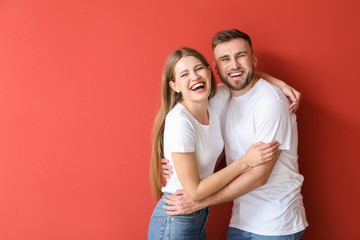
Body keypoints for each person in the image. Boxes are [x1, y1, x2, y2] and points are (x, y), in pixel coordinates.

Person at [162, 29, 308, 240]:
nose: (234, 64)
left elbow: (260, 175)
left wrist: (200, 201)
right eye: (225, 59)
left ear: (253, 59)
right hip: (241, 221)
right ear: (216, 67)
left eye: (241, 56)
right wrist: (174, 164)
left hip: (276, 225)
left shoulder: (271, 103)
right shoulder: (220, 99)